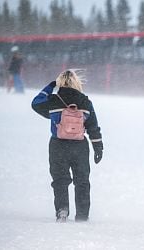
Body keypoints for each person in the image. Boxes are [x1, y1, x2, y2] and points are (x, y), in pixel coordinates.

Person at [31, 69, 103, 222]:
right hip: (80, 146)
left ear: (60, 82)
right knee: (82, 181)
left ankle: (62, 210)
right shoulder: (85, 101)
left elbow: (36, 103)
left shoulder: (53, 100)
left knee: (60, 180)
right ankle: (82, 215)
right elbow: (93, 127)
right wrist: (98, 147)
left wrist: (50, 86)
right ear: (77, 82)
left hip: (58, 145)